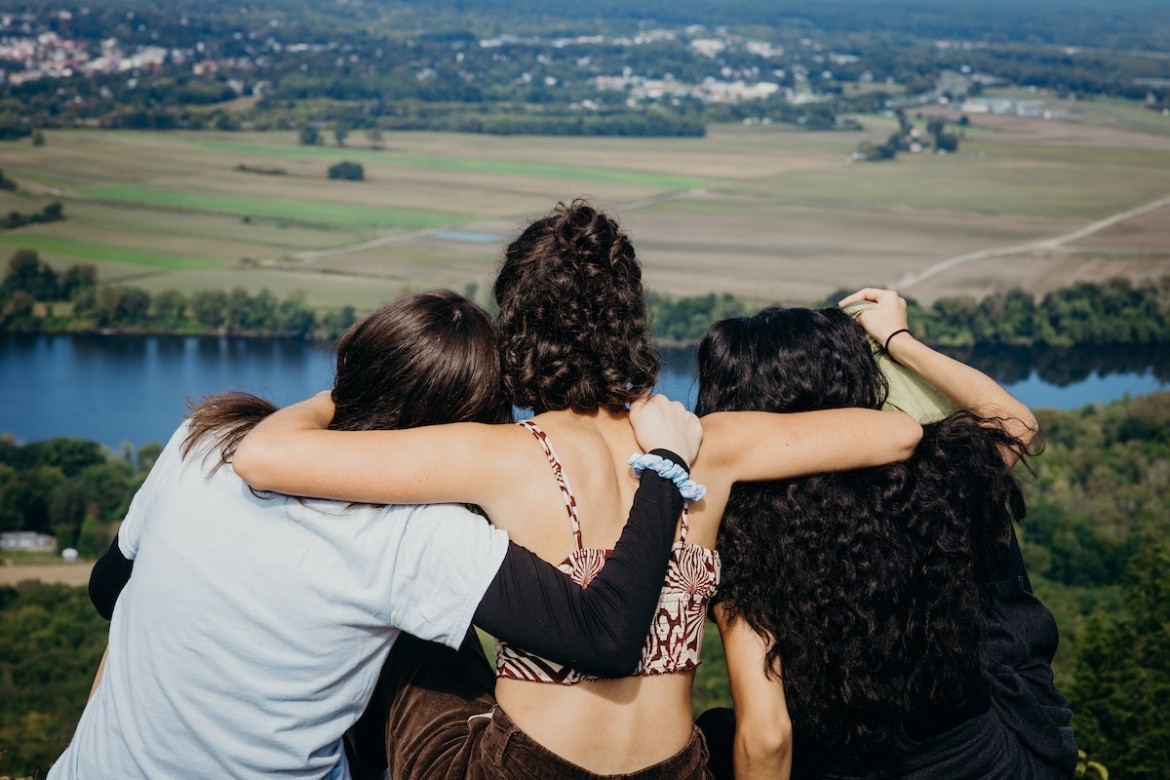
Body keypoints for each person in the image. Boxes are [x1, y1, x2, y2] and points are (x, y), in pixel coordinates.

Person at [232, 202, 924, 778]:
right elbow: (897, 435)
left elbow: (262, 457)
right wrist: (892, 336)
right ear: (629, 320)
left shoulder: (493, 455)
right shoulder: (709, 443)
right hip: (674, 768)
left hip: (529, 768)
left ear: (518, 326)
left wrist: (335, 393)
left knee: (407, 610)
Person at [49, 290, 706, 780]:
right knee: (423, 624)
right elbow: (605, 635)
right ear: (453, 431)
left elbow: (110, 589)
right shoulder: (416, 537)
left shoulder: (205, 442)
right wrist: (664, 467)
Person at [694, 288, 1078, 779]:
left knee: (715, 732)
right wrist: (899, 339)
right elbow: (1015, 423)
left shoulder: (740, 537)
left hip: (840, 767)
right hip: (989, 761)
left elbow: (767, 738)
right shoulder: (932, 474)